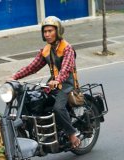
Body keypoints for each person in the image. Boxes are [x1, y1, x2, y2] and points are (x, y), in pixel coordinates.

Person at [10, 16, 81, 148]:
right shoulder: (46, 50)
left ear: (58, 31)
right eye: (45, 31)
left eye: (50, 31)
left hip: (67, 85)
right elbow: (33, 67)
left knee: (58, 108)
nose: (47, 34)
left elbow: (65, 69)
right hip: (52, 83)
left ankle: (72, 134)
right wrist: (15, 76)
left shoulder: (67, 48)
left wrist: (58, 79)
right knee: (32, 99)